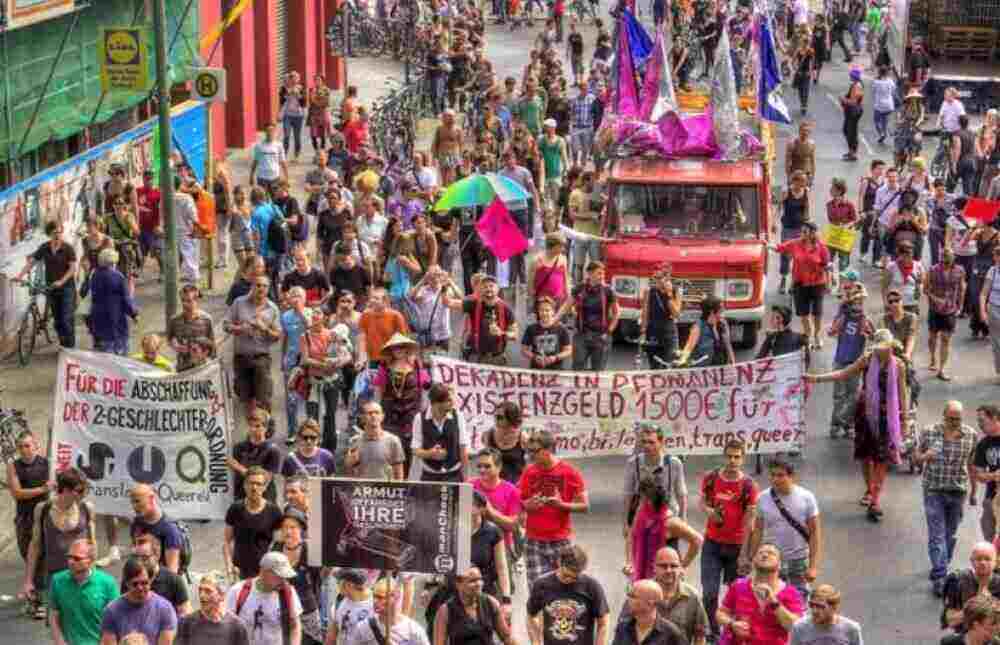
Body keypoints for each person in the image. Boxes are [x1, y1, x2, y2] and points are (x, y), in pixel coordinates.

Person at [806, 329, 909, 521]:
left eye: (884, 348)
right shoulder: (867, 360)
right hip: (866, 412)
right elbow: (843, 374)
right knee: (865, 455)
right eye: (879, 348)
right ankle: (869, 489)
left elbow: (902, 393)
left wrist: (905, 419)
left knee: (881, 458)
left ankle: (875, 499)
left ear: (891, 347)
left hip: (887, 415)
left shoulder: (899, 365)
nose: (881, 351)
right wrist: (817, 378)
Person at [907, 401, 979, 596]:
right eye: (951, 418)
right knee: (937, 533)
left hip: (958, 490)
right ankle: (940, 575)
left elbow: (972, 465)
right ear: (943, 416)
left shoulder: (971, 435)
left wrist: (974, 491)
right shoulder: (929, 432)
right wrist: (924, 457)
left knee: (950, 533)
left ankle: (942, 563)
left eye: (958, 419)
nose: (955, 422)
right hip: (934, 490)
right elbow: (914, 457)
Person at [700, 439, 760, 642]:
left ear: (743, 459)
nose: (733, 460)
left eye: (737, 457)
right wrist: (710, 512)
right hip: (712, 545)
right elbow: (703, 501)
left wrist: (745, 555)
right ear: (723, 456)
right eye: (729, 456)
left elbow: (749, 523)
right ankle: (715, 632)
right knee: (709, 593)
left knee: (736, 598)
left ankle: (733, 634)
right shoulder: (710, 478)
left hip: (736, 548)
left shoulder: (749, 486)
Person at [22, 467, 96, 617]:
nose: (84, 494)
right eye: (80, 490)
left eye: (85, 490)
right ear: (66, 490)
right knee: (56, 624)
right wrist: (28, 580)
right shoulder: (43, 509)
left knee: (81, 622)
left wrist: (94, 575)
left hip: (82, 575)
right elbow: (35, 545)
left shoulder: (87, 508)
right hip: (54, 578)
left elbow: (92, 543)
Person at [519, 430, 589, 589]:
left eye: (535, 451)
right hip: (533, 541)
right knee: (538, 590)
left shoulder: (569, 472)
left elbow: (585, 506)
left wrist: (561, 505)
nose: (530, 456)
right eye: (528, 451)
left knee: (562, 590)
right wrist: (526, 506)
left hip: (560, 541)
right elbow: (519, 501)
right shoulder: (529, 472)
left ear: (549, 449)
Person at [746, 459, 822, 601]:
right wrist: (750, 558)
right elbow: (758, 530)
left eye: (780, 475)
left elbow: (815, 533)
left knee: (798, 604)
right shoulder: (763, 498)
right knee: (768, 603)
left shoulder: (807, 498)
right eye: (772, 475)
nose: (775, 479)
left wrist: (813, 567)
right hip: (771, 560)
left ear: (792, 476)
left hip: (798, 561)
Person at [716, 543, 804, 645]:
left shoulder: (791, 593)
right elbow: (721, 613)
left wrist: (774, 602)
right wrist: (732, 624)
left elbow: (796, 627)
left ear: (780, 564)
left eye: (771, 553)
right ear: (753, 562)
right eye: (761, 553)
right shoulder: (738, 585)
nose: (765, 555)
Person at [624, 473, 703, 581]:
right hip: (641, 577)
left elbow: (697, 540)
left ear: (649, 498)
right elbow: (631, 536)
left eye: (642, 496)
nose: (639, 500)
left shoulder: (669, 522)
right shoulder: (642, 512)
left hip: (666, 580)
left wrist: (682, 567)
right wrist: (629, 563)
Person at [527, 545, 610, 645]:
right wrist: (536, 642)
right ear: (559, 562)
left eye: (575, 578)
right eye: (565, 575)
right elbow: (531, 616)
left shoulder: (592, 586)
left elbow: (604, 623)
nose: (569, 580)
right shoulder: (541, 584)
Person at [14, 219, 78, 348]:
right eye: (55, 232)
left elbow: (72, 269)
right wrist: (19, 276)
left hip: (67, 287)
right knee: (58, 321)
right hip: (51, 288)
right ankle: (64, 346)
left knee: (66, 319)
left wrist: (61, 281)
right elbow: (31, 262)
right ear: (49, 234)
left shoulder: (68, 248)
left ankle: (71, 348)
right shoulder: (44, 248)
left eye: (60, 232)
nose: (58, 235)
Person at [7, 429, 50, 616]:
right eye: (21, 447)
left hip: (44, 517)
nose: (24, 450)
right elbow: (17, 493)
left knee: (41, 559)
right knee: (28, 556)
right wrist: (42, 489)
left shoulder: (46, 463)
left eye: (27, 445)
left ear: (36, 446)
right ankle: (37, 594)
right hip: (24, 518)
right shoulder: (13, 466)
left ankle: (39, 601)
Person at [224, 275, 282, 416]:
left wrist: (264, 328)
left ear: (268, 289)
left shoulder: (272, 308)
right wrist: (239, 329)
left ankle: (266, 430)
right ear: (252, 286)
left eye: (264, 286)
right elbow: (225, 325)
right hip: (241, 357)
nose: (261, 288)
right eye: (258, 285)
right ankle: (252, 431)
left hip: (261, 358)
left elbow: (277, 336)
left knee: (263, 397)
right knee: (245, 397)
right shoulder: (239, 303)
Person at [825, 284, 874, 439]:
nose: (857, 305)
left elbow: (873, 336)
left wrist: (867, 332)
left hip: (856, 363)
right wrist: (843, 316)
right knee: (839, 395)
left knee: (853, 395)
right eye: (855, 301)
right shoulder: (843, 316)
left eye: (860, 301)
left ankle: (847, 424)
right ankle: (835, 425)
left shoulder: (865, 318)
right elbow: (831, 332)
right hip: (840, 361)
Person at [770, 222, 831, 349]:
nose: (801, 234)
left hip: (817, 284)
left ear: (812, 233)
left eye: (805, 232)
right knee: (803, 314)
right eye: (801, 231)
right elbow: (779, 248)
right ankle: (808, 335)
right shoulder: (795, 243)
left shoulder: (822, 248)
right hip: (800, 284)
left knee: (817, 313)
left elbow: (826, 266)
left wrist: (829, 283)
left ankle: (817, 335)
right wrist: (766, 244)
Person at [49, 538, 119, 645]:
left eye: (77, 558)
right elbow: (54, 615)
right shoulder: (57, 580)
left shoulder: (108, 583)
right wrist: (60, 642)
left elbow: (115, 620)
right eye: (69, 557)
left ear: (91, 561)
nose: (71, 561)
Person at [226, 552, 304, 645]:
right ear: (263, 571)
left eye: (285, 576)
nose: (283, 580)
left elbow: (294, 626)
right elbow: (226, 625)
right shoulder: (237, 591)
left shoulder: (288, 592)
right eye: (279, 575)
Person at [270, 510, 323, 645]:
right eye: (284, 527)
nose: (288, 531)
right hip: (281, 609)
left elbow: (321, 578)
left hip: (307, 610)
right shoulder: (275, 548)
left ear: (301, 529)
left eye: (292, 527)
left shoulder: (311, 549)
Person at [223, 466, 284, 581]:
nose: (254, 487)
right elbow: (227, 542)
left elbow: (279, 545)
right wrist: (229, 567)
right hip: (239, 573)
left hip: (264, 573)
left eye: (258, 484)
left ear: (265, 487)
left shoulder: (274, 511)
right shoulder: (235, 508)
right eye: (250, 483)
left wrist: (272, 571)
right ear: (244, 485)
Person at [100, 556, 178, 645]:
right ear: (127, 583)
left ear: (151, 580)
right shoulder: (111, 611)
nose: (140, 588)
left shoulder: (165, 609)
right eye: (135, 584)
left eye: (144, 583)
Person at [625, 423, 687, 533]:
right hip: (643, 521)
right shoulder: (633, 463)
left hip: (668, 520)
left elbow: (681, 494)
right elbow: (628, 495)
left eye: (651, 442)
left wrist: (683, 521)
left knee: (669, 550)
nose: (647, 446)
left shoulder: (674, 463)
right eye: (643, 442)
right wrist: (626, 524)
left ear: (661, 443)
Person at [443, 274, 518, 365]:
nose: (488, 289)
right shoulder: (473, 304)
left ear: (497, 289)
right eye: (485, 286)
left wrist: (502, 333)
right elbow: (448, 303)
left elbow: (515, 335)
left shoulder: (506, 309)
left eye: (491, 286)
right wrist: (444, 286)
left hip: (497, 358)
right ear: (480, 290)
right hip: (477, 358)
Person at [433, 565, 515, 645]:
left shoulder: (491, 602)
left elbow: (506, 637)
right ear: (458, 584)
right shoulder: (445, 611)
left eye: (480, 579)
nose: (479, 584)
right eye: (472, 581)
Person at [560, 261, 619, 371]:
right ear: (589, 274)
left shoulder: (608, 291)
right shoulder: (579, 288)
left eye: (603, 273)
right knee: (578, 366)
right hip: (581, 335)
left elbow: (616, 313)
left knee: (598, 370)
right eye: (599, 273)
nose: (602, 276)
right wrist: (554, 320)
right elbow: (566, 307)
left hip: (601, 336)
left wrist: (608, 332)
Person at [411, 383, 469, 483]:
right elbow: (415, 450)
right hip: (429, 476)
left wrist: (466, 479)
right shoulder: (419, 418)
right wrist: (430, 453)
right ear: (436, 403)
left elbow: (463, 449)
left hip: (454, 475)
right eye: (449, 400)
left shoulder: (458, 416)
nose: (453, 403)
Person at [176, 572, 251, 645]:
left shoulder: (237, 627)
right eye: (200, 590)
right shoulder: (187, 623)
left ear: (222, 595)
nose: (201, 595)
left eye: (208, 591)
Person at [927, 247, 967, 379]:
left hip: (950, 310)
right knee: (933, 337)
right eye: (943, 261)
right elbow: (925, 289)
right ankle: (932, 357)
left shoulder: (959, 271)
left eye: (948, 261)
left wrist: (960, 306)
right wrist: (935, 299)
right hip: (934, 309)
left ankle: (941, 369)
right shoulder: (932, 270)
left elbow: (962, 288)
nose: (945, 264)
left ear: (953, 259)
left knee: (945, 339)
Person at [941, 542, 1000, 631]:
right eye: (979, 559)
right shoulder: (957, 581)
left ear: (995, 562)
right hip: (966, 635)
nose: (983, 563)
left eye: (987, 559)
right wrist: (974, 607)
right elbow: (950, 621)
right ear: (971, 561)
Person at [228, 409, 283, 502]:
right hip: (241, 498)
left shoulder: (273, 450)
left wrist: (239, 468)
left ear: (265, 428)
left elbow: (265, 480)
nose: (253, 429)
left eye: (257, 426)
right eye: (250, 426)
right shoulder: (238, 447)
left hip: (265, 500)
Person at [127, 538, 192, 617]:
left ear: (156, 556)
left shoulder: (174, 580)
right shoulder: (130, 580)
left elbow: (185, 614)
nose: (139, 562)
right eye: (136, 557)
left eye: (144, 558)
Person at [611, 578, 687, 645]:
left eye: (633, 596)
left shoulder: (672, 633)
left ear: (650, 602)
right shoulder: (622, 628)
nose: (628, 600)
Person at [128, 484, 183, 574]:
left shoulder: (169, 529)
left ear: (151, 498)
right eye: (132, 502)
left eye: (137, 501)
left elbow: (172, 572)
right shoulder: (136, 523)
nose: (134, 506)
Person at [344, 400, 405, 481]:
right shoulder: (354, 441)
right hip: (362, 490)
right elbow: (349, 475)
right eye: (369, 413)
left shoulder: (393, 441)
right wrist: (349, 464)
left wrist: (397, 491)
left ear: (382, 416)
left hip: (385, 491)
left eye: (377, 412)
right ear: (362, 418)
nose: (373, 416)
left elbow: (399, 473)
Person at [788, 583, 863, 645]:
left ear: (834, 607)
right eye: (812, 605)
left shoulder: (851, 629)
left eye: (820, 606)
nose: (814, 611)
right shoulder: (799, 628)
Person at [639, 266, 682, 369]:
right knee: (654, 367)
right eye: (654, 277)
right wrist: (643, 332)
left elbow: (676, 314)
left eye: (659, 278)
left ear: (667, 278)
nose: (656, 280)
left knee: (669, 365)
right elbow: (645, 313)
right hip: (653, 332)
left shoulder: (676, 291)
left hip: (669, 333)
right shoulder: (649, 292)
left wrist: (669, 295)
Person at [357, 288, 410, 366]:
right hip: (373, 359)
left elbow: (403, 339)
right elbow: (362, 337)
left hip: (391, 359)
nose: (372, 300)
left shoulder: (396, 316)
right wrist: (361, 357)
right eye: (371, 298)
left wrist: (402, 359)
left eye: (376, 298)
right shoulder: (365, 315)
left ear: (385, 301)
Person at [679, 296, 736, 367]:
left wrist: (733, 364)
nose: (723, 310)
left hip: (720, 365)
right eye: (721, 309)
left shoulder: (723, 324)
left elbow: (728, 344)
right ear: (712, 311)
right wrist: (682, 361)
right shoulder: (698, 327)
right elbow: (689, 347)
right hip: (704, 367)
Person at [521, 296, 572, 369]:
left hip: (556, 370)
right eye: (541, 310)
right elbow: (524, 349)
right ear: (538, 312)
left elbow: (568, 350)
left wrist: (555, 357)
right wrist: (535, 357)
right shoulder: (531, 329)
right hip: (536, 369)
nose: (544, 313)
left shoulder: (562, 329)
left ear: (553, 312)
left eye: (547, 310)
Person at [484, 402, 528, 485]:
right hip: (494, 484)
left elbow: (530, 464)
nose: (496, 420)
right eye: (495, 416)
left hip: (516, 484)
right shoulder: (489, 435)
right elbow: (486, 460)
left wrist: (523, 481)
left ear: (510, 418)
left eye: (500, 417)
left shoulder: (522, 437)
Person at [324, 570, 372, 645]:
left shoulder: (374, 605)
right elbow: (332, 633)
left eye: (338, 581)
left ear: (349, 585)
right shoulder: (340, 601)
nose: (337, 584)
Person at [974, 405, 1000, 540]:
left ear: (995, 418)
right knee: (988, 536)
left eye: (982, 421)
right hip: (992, 497)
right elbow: (978, 474)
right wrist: (994, 475)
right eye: (978, 422)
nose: (979, 425)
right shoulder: (983, 444)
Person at [979, 244, 1000, 383]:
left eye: (996, 256)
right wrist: (983, 311)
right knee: (997, 343)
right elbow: (984, 293)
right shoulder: (992, 271)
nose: (995, 259)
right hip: (994, 309)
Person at [250, 123, 289, 191]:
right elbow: (255, 161)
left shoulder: (279, 145)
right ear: (265, 132)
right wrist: (251, 175)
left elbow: (283, 161)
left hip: (275, 177)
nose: (269, 133)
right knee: (262, 199)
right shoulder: (259, 146)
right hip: (262, 177)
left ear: (275, 132)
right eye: (267, 131)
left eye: (271, 131)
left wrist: (286, 177)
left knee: (276, 199)